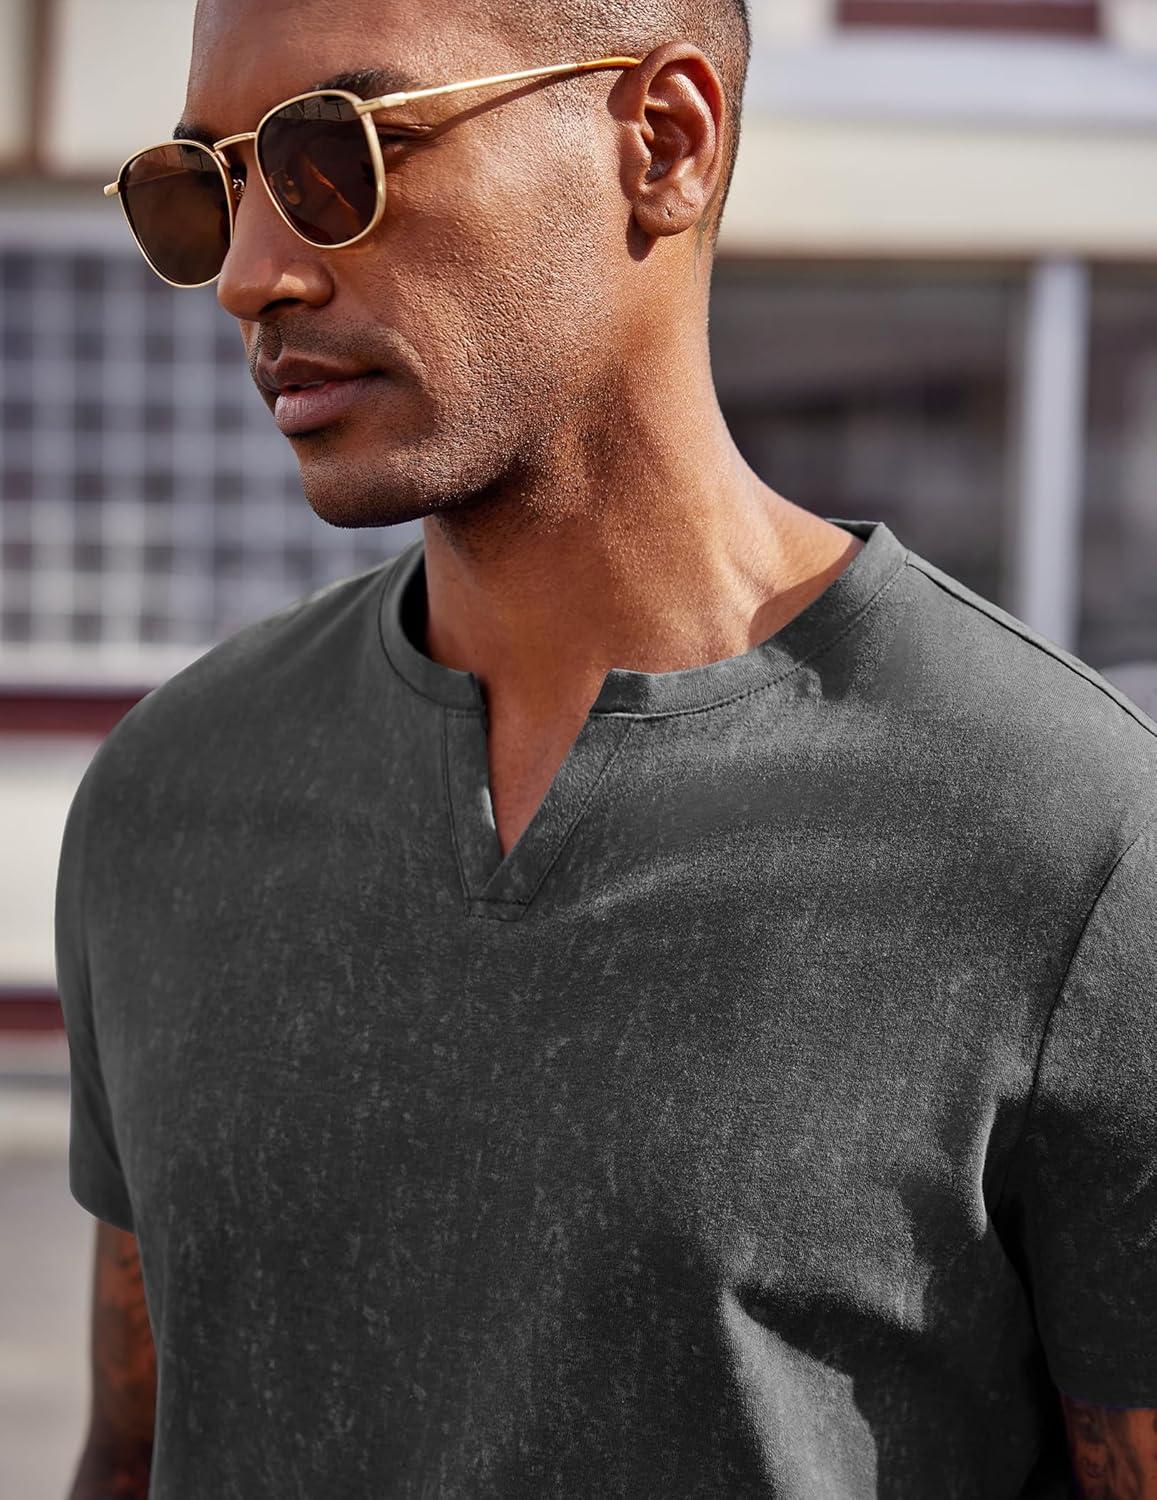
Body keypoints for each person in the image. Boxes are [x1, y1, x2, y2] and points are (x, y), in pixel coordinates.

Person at [57, 0, 1157, 1495]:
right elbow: (132, 1455)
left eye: (339, 152)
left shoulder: (1069, 837)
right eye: (207, 184)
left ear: (663, 143)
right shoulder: (168, 797)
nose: (253, 270)